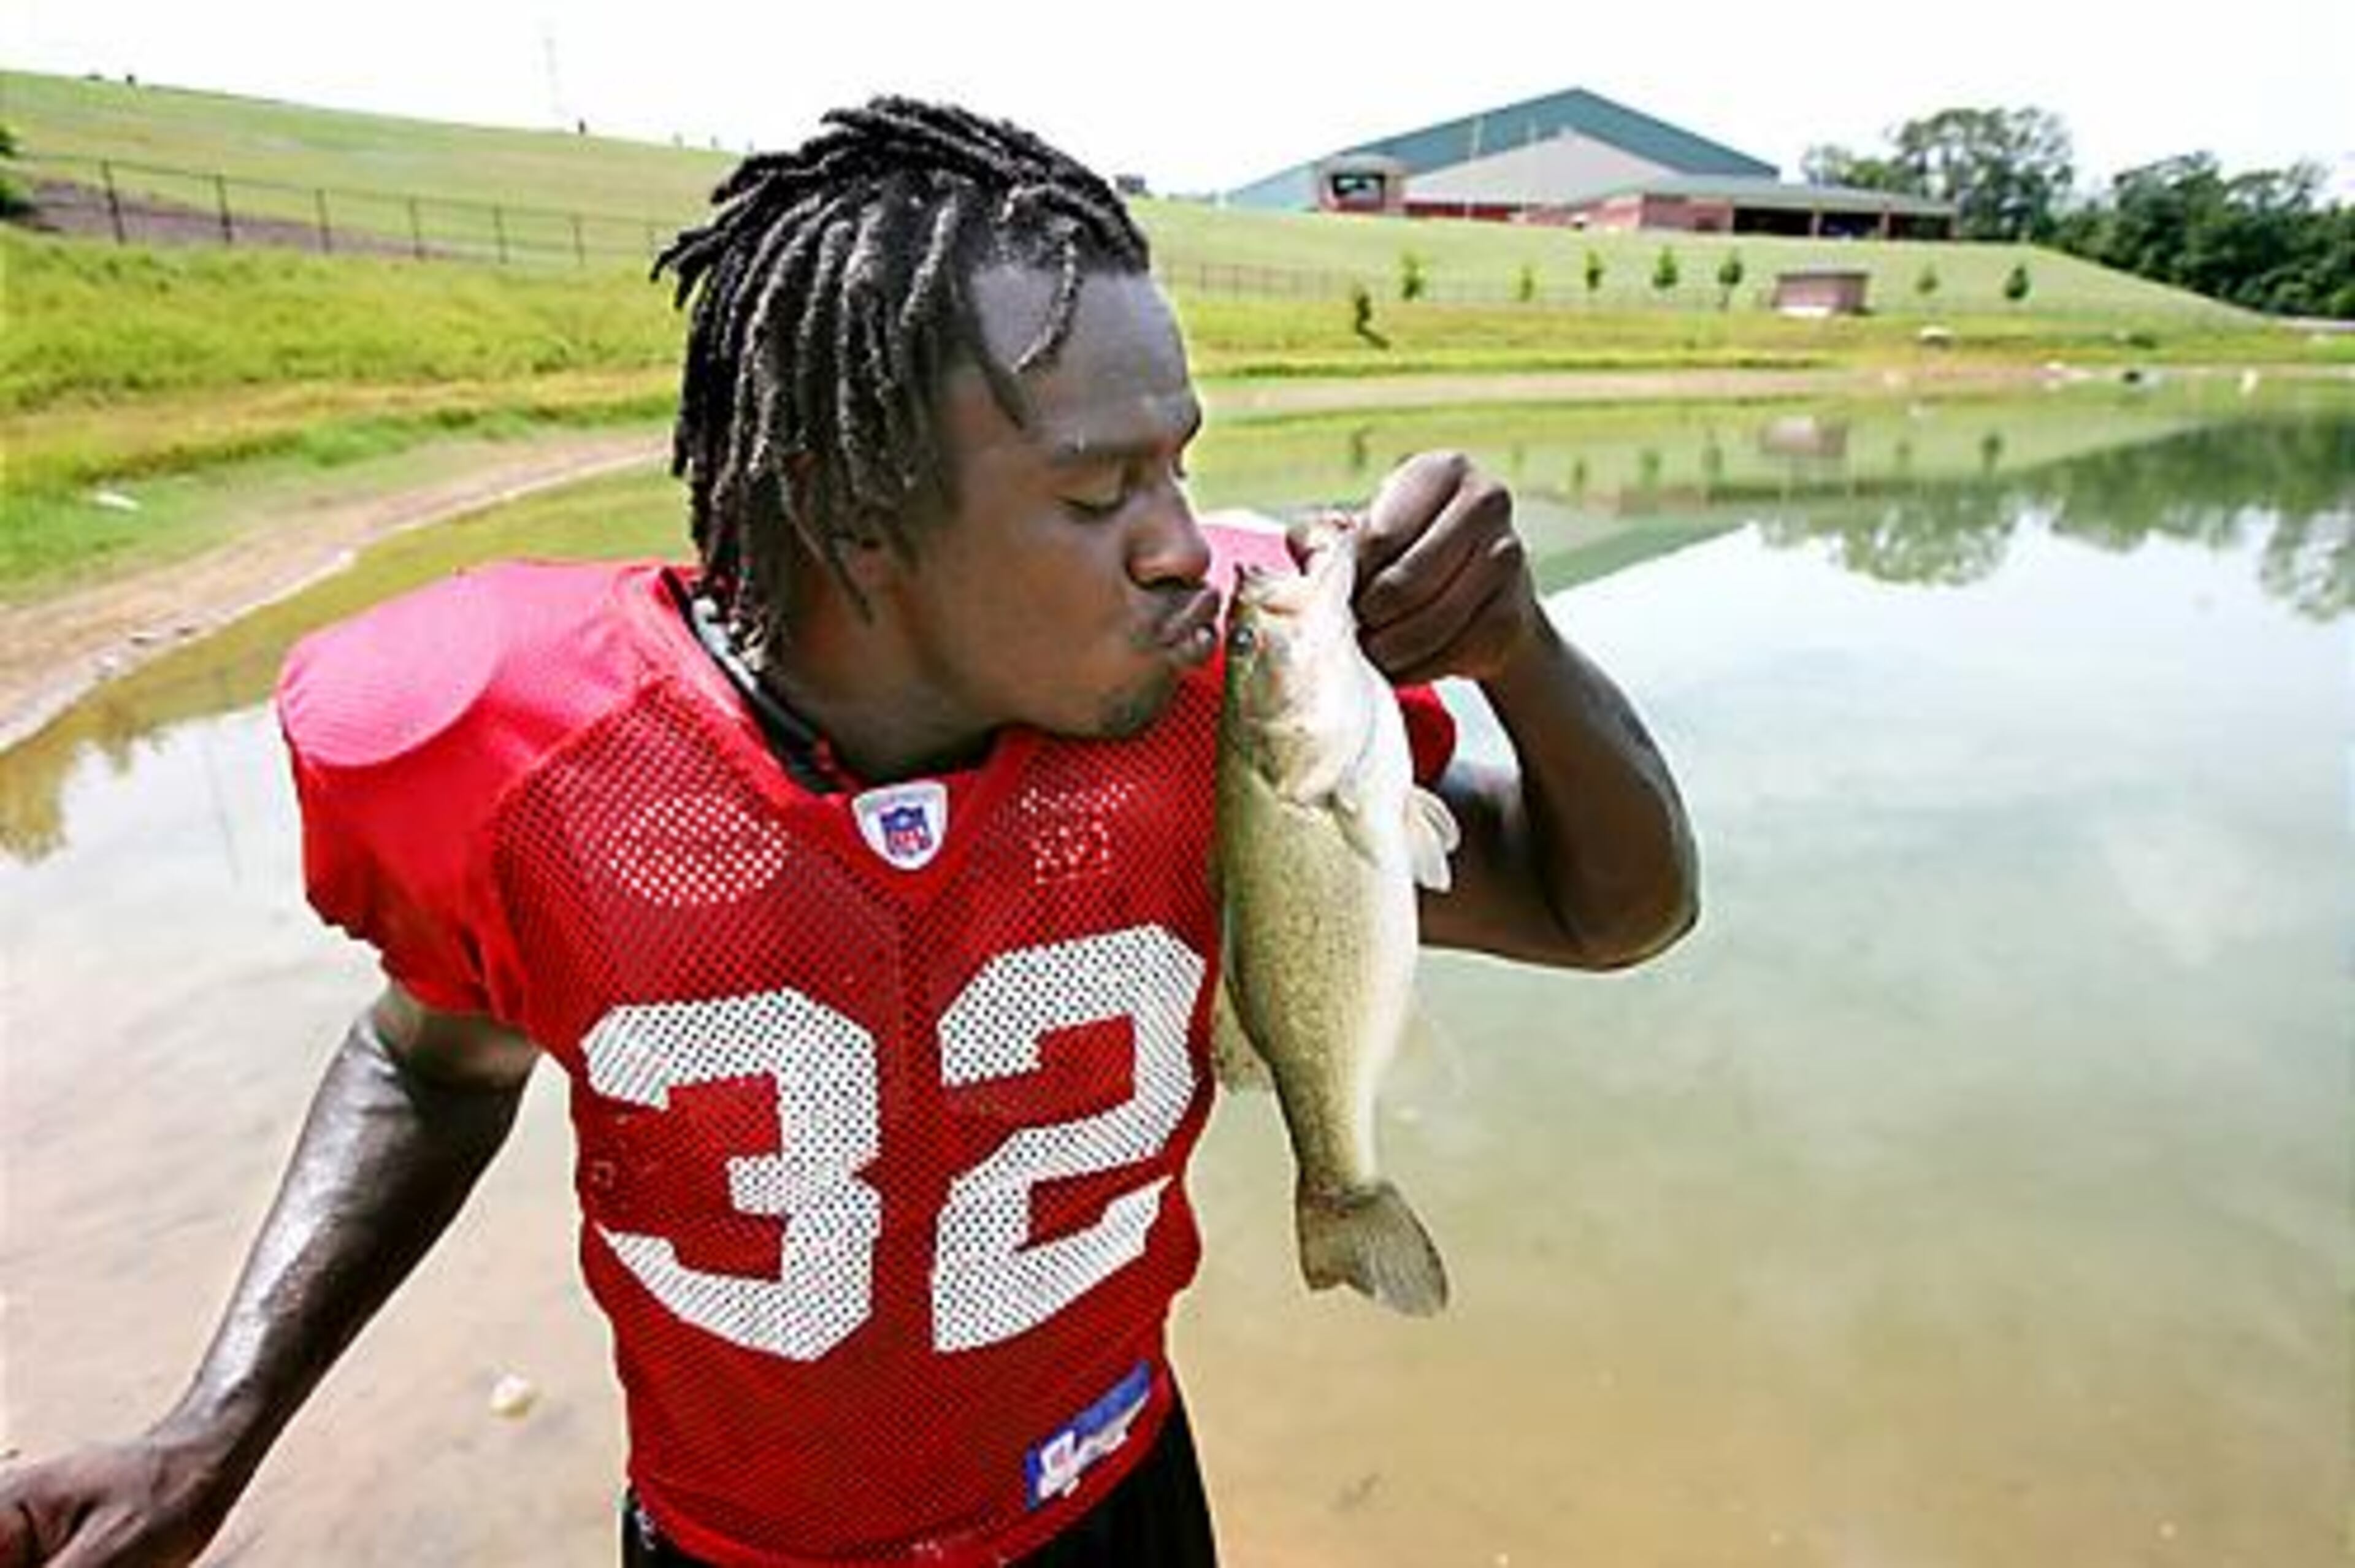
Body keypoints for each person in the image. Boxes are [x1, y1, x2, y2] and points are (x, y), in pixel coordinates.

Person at [0, 98, 1696, 1567]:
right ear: (847, 509)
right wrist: (212, 1430)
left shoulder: (1218, 709)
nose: (1187, 547)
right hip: (737, 1555)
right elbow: (433, 1064)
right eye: (1103, 496)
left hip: (1114, 1507)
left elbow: (1607, 909)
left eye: (1182, 469)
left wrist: (1518, 651)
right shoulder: (560, 763)